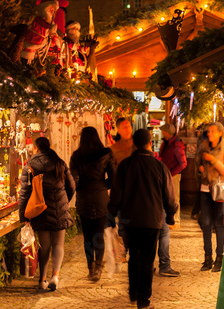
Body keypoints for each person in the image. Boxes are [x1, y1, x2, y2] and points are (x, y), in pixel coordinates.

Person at [108, 129, 177, 309]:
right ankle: (143, 300)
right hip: (152, 220)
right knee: (147, 259)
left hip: (130, 219)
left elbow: (116, 193)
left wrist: (111, 213)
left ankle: (133, 291)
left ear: (134, 144)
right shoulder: (159, 166)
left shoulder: (125, 166)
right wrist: (170, 215)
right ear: (149, 144)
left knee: (133, 257)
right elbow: (169, 195)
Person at [18, 137, 76, 291]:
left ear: (36, 148)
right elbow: (71, 186)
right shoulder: (60, 163)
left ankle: (42, 280)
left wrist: (24, 216)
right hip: (59, 208)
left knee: (44, 246)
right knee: (58, 244)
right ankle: (55, 276)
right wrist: (64, 201)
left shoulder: (30, 166)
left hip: (39, 209)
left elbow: (24, 192)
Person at [70, 126, 115, 281]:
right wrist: (103, 185)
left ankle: (91, 268)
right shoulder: (106, 154)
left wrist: (80, 187)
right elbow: (114, 178)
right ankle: (98, 268)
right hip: (101, 197)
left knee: (87, 236)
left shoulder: (77, 156)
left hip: (84, 197)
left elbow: (72, 180)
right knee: (99, 234)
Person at [196, 122, 224, 273]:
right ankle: (207, 258)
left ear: (220, 132)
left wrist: (213, 161)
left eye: (212, 131)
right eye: (208, 131)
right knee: (206, 224)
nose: (209, 134)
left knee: (219, 224)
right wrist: (201, 170)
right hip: (205, 189)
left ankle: (220, 258)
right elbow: (198, 163)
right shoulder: (204, 145)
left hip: (220, 190)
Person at [110, 118, 135, 262]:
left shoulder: (138, 145)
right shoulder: (114, 149)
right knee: (123, 224)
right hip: (122, 191)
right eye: (124, 127)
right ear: (118, 129)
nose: (127, 129)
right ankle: (124, 250)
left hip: (138, 190)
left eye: (129, 126)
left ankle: (136, 251)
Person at [159, 123, 187, 227]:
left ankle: (176, 221)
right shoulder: (166, 143)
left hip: (173, 175)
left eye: (163, 131)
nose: (162, 132)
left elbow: (183, 163)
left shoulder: (176, 145)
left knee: (174, 197)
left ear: (166, 132)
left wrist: (171, 174)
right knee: (168, 196)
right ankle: (169, 220)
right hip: (167, 174)